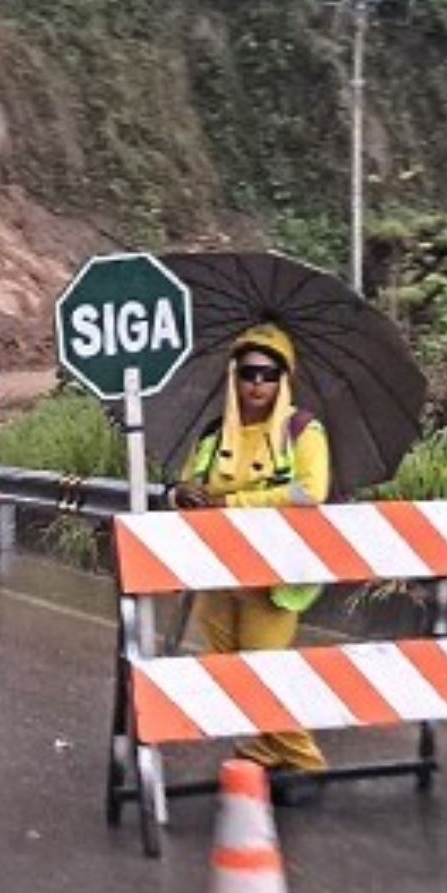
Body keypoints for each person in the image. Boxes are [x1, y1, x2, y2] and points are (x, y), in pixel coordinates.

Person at [169, 323, 331, 802]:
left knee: (264, 666)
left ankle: (303, 760)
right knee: (225, 666)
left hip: (275, 577)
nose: (257, 384)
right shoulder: (216, 434)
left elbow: (309, 492)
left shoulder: (303, 431)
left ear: (284, 380)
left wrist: (234, 504)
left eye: (269, 374)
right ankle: (263, 749)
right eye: (248, 373)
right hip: (217, 572)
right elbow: (192, 484)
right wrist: (183, 494)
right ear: (233, 378)